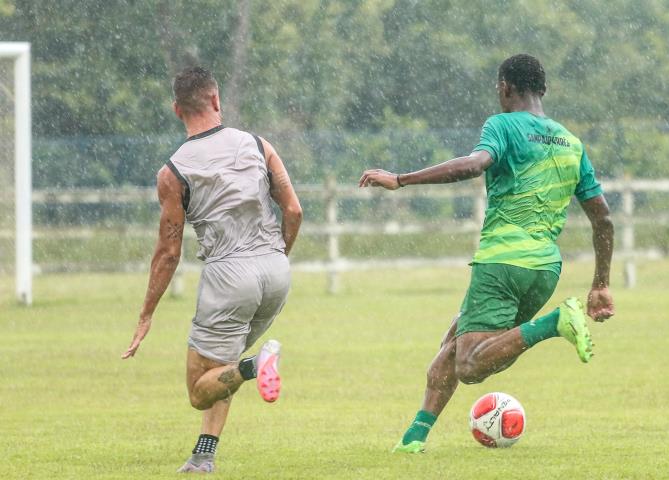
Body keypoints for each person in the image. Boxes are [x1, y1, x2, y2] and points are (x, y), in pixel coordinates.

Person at [359, 54, 615, 453]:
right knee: (454, 345)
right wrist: (600, 284)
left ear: (504, 87)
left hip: (502, 263)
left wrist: (401, 179)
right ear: (542, 89)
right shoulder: (571, 142)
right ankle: (415, 436)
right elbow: (603, 218)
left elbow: (473, 165)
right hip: (544, 270)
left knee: (471, 365)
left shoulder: (503, 125)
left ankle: (555, 324)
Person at [121, 66, 302, 472]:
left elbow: (168, 252)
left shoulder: (173, 171)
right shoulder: (258, 144)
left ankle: (258, 366)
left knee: (199, 390)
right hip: (275, 271)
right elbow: (293, 210)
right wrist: (278, 256)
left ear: (176, 110)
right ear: (216, 100)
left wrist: (147, 312)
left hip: (228, 277)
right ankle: (204, 454)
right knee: (223, 367)